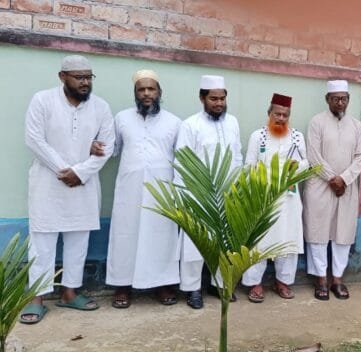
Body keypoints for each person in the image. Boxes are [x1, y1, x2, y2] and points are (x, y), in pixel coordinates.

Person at [20, 54, 115, 324]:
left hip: (83, 185)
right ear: (63, 77)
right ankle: (36, 297)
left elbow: (106, 146)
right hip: (48, 183)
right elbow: (34, 139)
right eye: (79, 77)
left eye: (88, 77)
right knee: (42, 242)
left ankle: (70, 293)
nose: (85, 82)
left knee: (78, 240)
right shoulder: (42, 100)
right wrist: (65, 170)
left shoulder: (100, 107)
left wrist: (81, 172)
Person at [106, 70, 181, 308]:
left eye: (151, 89)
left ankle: (163, 284)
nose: (146, 93)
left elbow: (181, 158)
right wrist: (96, 148)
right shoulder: (121, 119)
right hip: (129, 189)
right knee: (125, 235)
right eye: (141, 89)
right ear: (135, 93)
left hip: (163, 191)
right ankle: (122, 285)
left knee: (161, 235)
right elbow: (113, 149)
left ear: (159, 92)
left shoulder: (174, 122)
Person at [175, 75, 243, 309]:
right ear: (202, 98)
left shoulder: (232, 122)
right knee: (195, 245)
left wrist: (239, 187)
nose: (219, 103)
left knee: (225, 242)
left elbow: (238, 155)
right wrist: (182, 198)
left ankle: (220, 283)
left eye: (222, 98)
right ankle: (193, 289)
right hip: (198, 193)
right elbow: (182, 162)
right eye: (213, 98)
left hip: (228, 193)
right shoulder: (190, 125)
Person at [302, 79, 361, 301]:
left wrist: (344, 179)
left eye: (344, 99)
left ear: (348, 100)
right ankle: (321, 278)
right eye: (336, 99)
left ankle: (337, 278)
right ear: (327, 99)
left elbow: (360, 156)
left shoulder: (357, 126)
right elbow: (313, 155)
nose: (340, 103)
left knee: (343, 233)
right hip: (320, 185)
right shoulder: (316, 123)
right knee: (318, 231)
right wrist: (332, 179)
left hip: (346, 187)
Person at [242, 93, 309, 303]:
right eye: (277, 114)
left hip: (288, 198)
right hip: (262, 197)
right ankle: (255, 283)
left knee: (287, 240)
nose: (280, 118)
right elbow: (249, 165)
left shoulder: (297, 137)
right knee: (259, 241)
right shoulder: (258, 136)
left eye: (285, 115)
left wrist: (298, 166)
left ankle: (283, 281)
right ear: (269, 114)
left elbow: (306, 162)